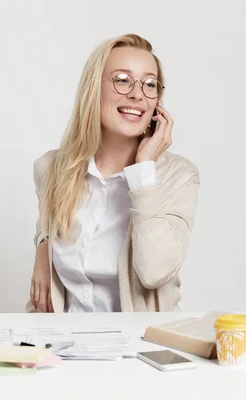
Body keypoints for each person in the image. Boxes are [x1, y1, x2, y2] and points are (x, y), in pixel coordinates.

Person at [26, 33, 200, 313]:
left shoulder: (179, 177)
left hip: (140, 348)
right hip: (61, 345)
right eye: (122, 80)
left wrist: (144, 171)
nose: (137, 94)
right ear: (93, 90)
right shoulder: (51, 169)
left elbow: (155, 273)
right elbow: (47, 225)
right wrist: (42, 248)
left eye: (150, 84)